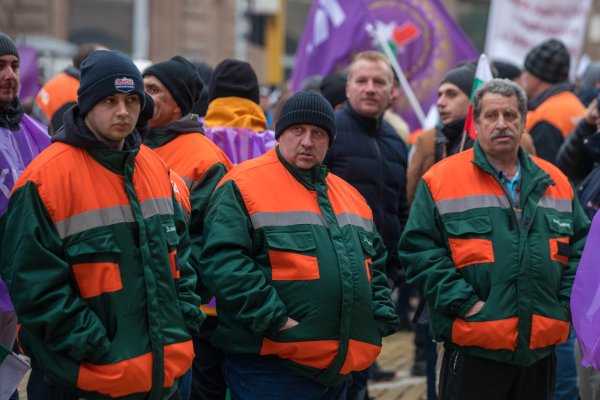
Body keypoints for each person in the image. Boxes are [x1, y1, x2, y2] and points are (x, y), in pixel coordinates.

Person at [1, 50, 202, 399]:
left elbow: (180, 257)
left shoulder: (153, 168)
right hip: (84, 382)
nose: (123, 112)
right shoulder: (46, 180)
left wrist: (180, 322)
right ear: (88, 103)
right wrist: (93, 346)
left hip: (161, 377)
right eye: (109, 100)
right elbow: (35, 288)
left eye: (131, 100)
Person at [198, 90, 399, 400]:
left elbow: (376, 263)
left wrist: (379, 317)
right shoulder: (243, 184)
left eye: (318, 133)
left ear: (330, 141)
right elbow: (223, 262)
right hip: (271, 369)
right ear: (280, 134)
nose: (307, 141)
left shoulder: (350, 195)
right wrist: (275, 320)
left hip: (340, 370)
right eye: (298, 130)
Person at [399, 78, 590, 400]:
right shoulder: (442, 179)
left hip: (539, 348)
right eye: (491, 116)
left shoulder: (555, 181)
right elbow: (418, 249)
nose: (502, 124)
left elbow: (581, 250)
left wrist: (563, 305)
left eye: (510, 115)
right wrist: (465, 303)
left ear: (524, 121)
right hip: (475, 346)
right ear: (476, 122)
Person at [142, 55, 233, 400]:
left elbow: (210, 243)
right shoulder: (127, 145)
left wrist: (178, 298)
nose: (142, 94)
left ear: (179, 103)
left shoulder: (206, 158)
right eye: (143, 85)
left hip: (178, 314)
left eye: (153, 89)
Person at [323, 51, 407, 396]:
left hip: (379, 277)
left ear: (392, 90)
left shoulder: (396, 141)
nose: (370, 88)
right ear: (348, 87)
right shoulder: (330, 134)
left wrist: (397, 265)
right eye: (362, 81)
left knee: (360, 367)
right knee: (334, 370)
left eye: (379, 82)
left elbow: (400, 206)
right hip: (332, 275)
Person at [0, 29, 50, 371]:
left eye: (15, 66)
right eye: (0, 65)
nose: (9, 75)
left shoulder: (34, 133)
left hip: (17, 287)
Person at [520, 38, 586, 163]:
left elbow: (543, 171)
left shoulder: (546, 116)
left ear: (538, 76)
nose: (523, 76)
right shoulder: (574, 103)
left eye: (526, 71)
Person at [33, 42, 106, 134]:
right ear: (90, 64)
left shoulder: (63, 81)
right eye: (105, 60)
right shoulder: (75, 93)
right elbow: (66, 136)